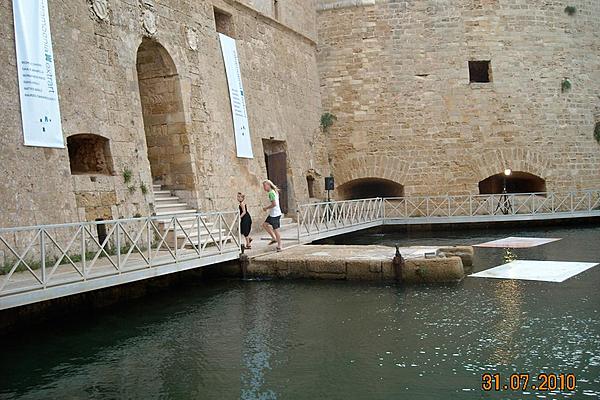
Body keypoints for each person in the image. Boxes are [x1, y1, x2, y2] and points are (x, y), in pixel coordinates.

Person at [261, 179, 283, 252]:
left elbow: (274, 204)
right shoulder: (274, 191)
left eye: (264, 186)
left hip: (275, 214)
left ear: (268, 185)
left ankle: (280, 245)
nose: (264, 188)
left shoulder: (271, 193)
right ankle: (274, 238)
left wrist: (266, 208)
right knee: (265, 225)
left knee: (276, 230)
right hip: (273, 214)